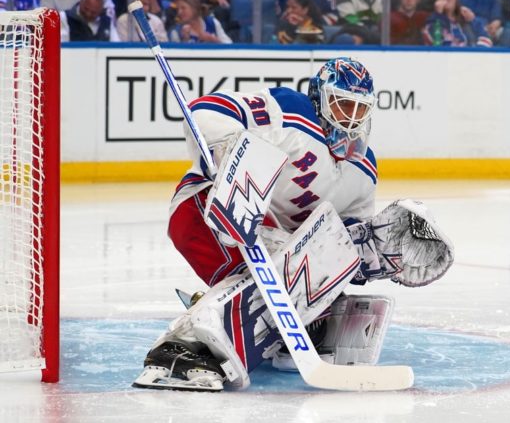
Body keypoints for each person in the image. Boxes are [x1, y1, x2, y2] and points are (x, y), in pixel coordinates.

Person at [131, 57, 454, 391]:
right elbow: (208, 108)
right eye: (342, 105)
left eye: (360, 109)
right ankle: (181, 348)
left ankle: (272, 330)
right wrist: (229, 152)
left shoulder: (364, 168)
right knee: (274, 271)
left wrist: (366, 254)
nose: (351, 118)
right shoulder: (291, 111)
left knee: (307, 277)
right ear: (320, 99)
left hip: (274, 244)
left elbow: (339, 236)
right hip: (207, 208)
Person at [423, 0, 492, 47]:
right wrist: (438, 15)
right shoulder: (433, 20)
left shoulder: (466, 20)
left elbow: (486, 40)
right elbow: (435, 42)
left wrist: (473, 20)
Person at [167, 0, 232, 43]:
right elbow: (176, 58)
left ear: (195, 8)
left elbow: (230, 46)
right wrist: (185, 40)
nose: (179, 12)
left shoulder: (212, 22)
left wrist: (214, 40)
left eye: (183, 8)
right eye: (177, 9)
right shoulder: (176, 32)